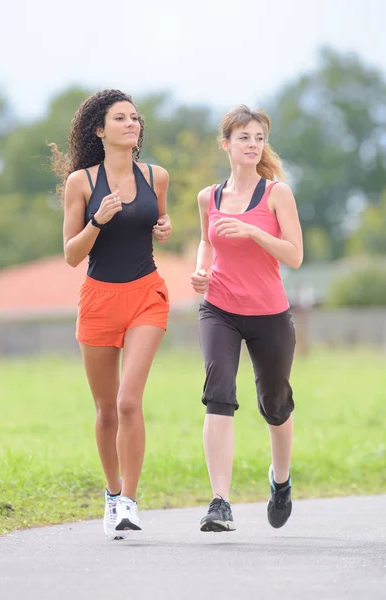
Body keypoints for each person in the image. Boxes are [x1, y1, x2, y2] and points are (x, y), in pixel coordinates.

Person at [50, 89, 171, 540]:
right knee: (105, 410)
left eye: (136, 118)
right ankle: (112, 492)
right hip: (99, 299)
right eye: (120, 118)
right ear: (100, 130)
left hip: (146, 294)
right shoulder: (82, 183)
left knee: (128, 401)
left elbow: (157, 222)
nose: (131, 124)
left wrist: (164, 226)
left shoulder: (156, 175)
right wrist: (96, 221)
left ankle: (130, 503)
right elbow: (70, 255)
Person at [191, 105, 303, 532]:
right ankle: (220, 501)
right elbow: (206, 241)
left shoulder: (277, 194)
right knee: (218, 393)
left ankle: (280, 481)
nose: (253, 145)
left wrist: (255, 232)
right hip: (219, 307)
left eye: (259, 138)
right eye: (244, 138)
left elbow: (294, 255)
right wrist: (202, 272)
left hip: (269, 313)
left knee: (275, 404)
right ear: (226, 144)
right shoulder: (209, 197)